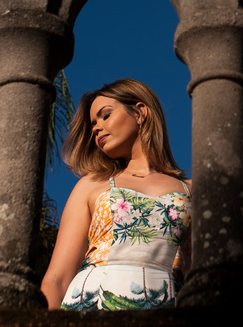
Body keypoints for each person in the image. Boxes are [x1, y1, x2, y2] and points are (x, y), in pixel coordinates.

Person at [41, 79, 191, 310]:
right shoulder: (92, 184)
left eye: (105, 115)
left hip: (166, 309)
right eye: (93, 124)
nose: (96, 128)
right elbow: (57, 278)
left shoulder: (192, 189)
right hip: (89, 306)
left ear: (140, 112)